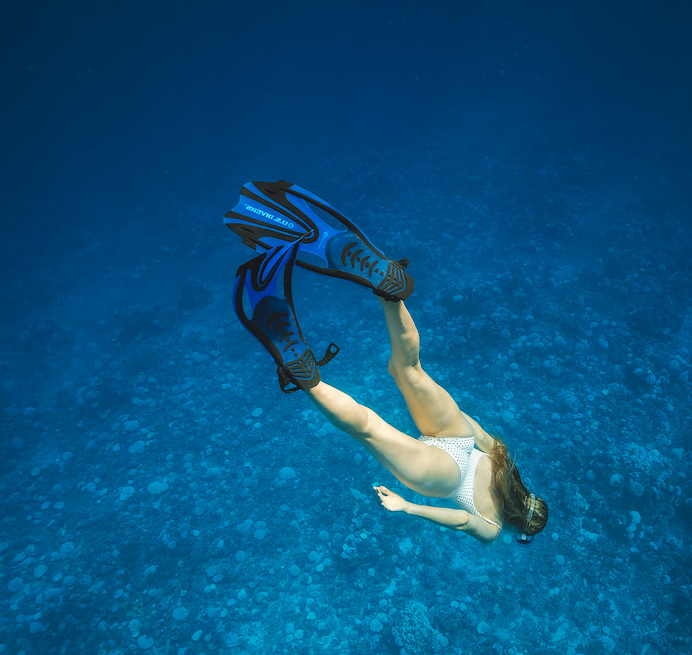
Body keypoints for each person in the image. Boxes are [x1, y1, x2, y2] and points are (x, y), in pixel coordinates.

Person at [226, 180, 549, 543]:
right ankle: (305, 375)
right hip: (444, 475)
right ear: (518, 527)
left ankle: (390, 293)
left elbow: (479, 431)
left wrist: (450, 423)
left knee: (408, 368)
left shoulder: (505, 461)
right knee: (366, 425)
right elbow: (461, 521)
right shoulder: (492, 528)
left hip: (458, 435)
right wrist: (407, 507)